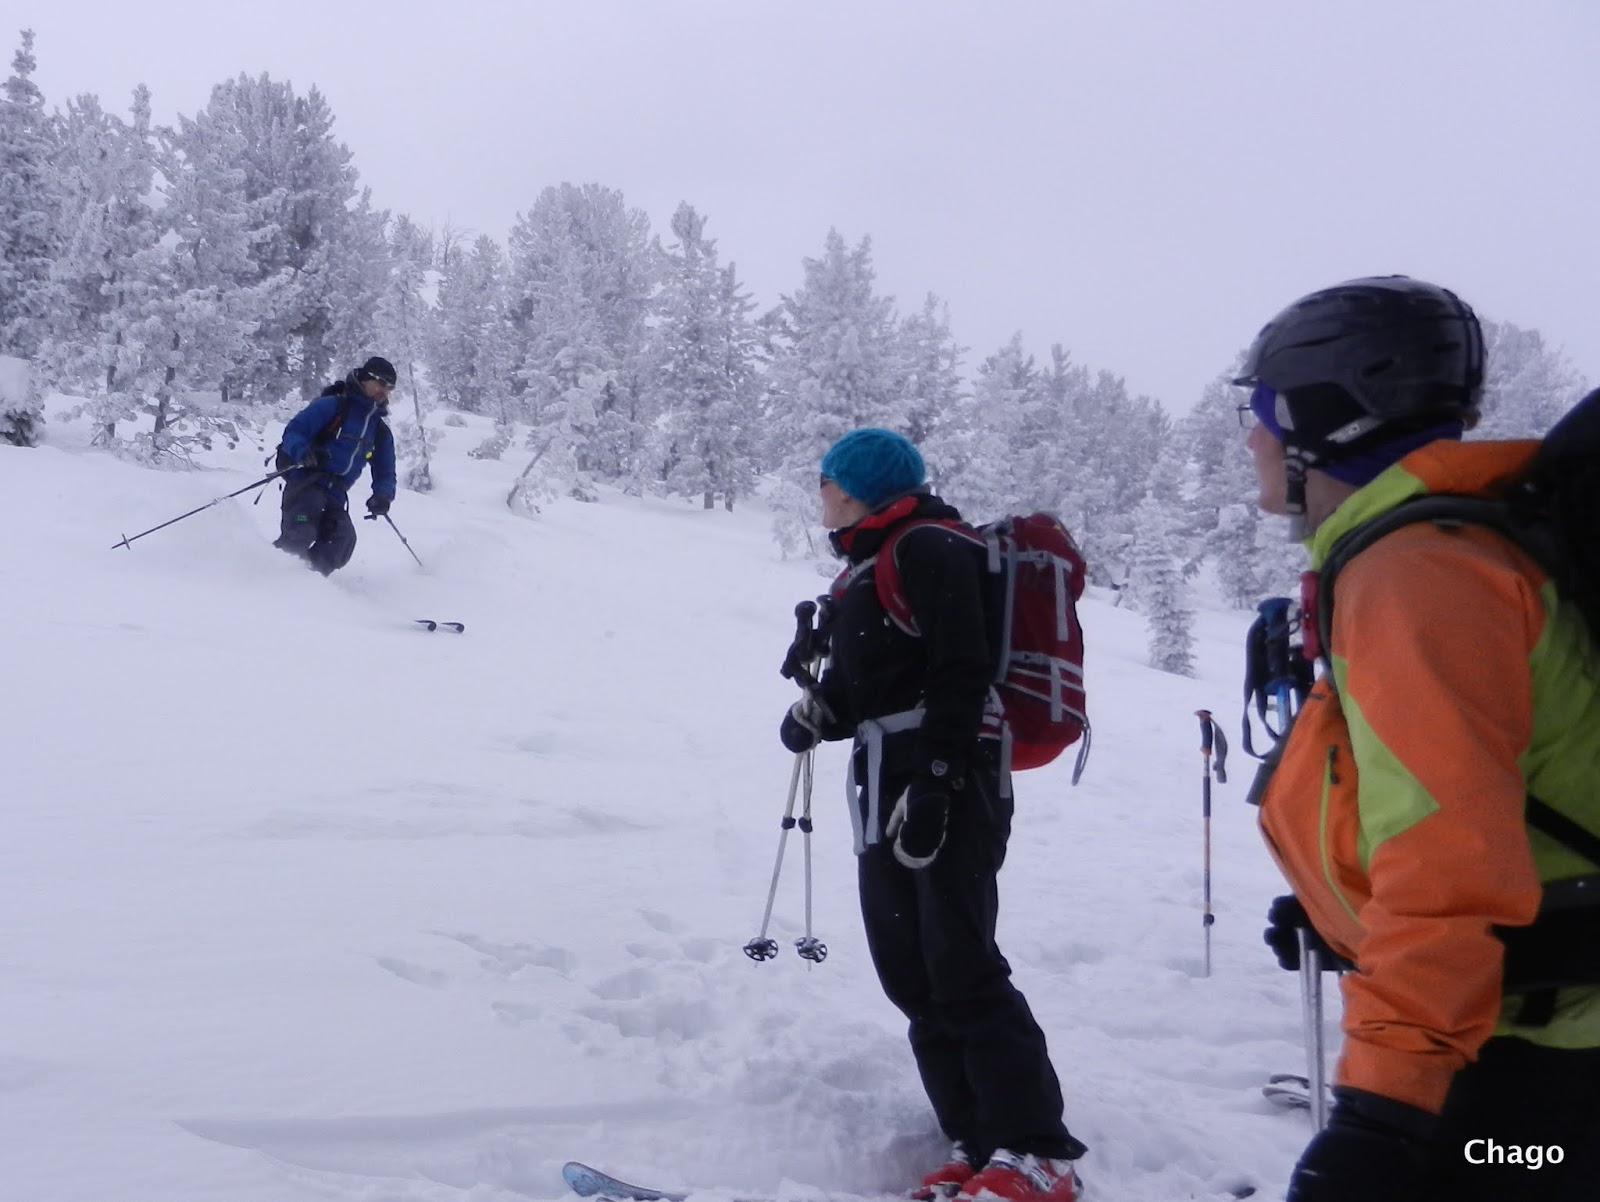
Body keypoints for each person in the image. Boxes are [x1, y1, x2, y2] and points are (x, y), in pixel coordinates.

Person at [1236, 276, 1600, 1202]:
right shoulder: (1445, 548)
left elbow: (1447, 865)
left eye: (1264, 414)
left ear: (1322, 421)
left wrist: (1383, 1118)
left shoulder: (1416, 576)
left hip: (1531, 1066)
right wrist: (1341, 904)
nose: (1252, 440)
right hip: (1527, 1022)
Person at [779, 428, 1088, 1202]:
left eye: (827, 480)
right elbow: (870, 690)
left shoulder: (930, 547)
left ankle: (1037, 1148)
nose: (818, 491)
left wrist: (940, 782)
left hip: (949, 774)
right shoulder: (862, 571)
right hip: (886, 780)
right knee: (911, 971)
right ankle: (977, 1137)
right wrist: (820, 712)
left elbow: (961, 669)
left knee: (961, 960)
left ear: (859, 486)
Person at [274, 355, 398, 575]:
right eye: (381, 383)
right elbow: (294, 432)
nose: (385, 391)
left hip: (336, 495)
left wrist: (383, 495)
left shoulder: (379, 431)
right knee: (301, 530)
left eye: (390, 388)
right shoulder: (333, 406)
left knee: (342, 539)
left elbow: (385, 470)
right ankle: (265, 575)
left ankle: (305, 582)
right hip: (306, 484)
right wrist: (305, 452)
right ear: (365, 378)